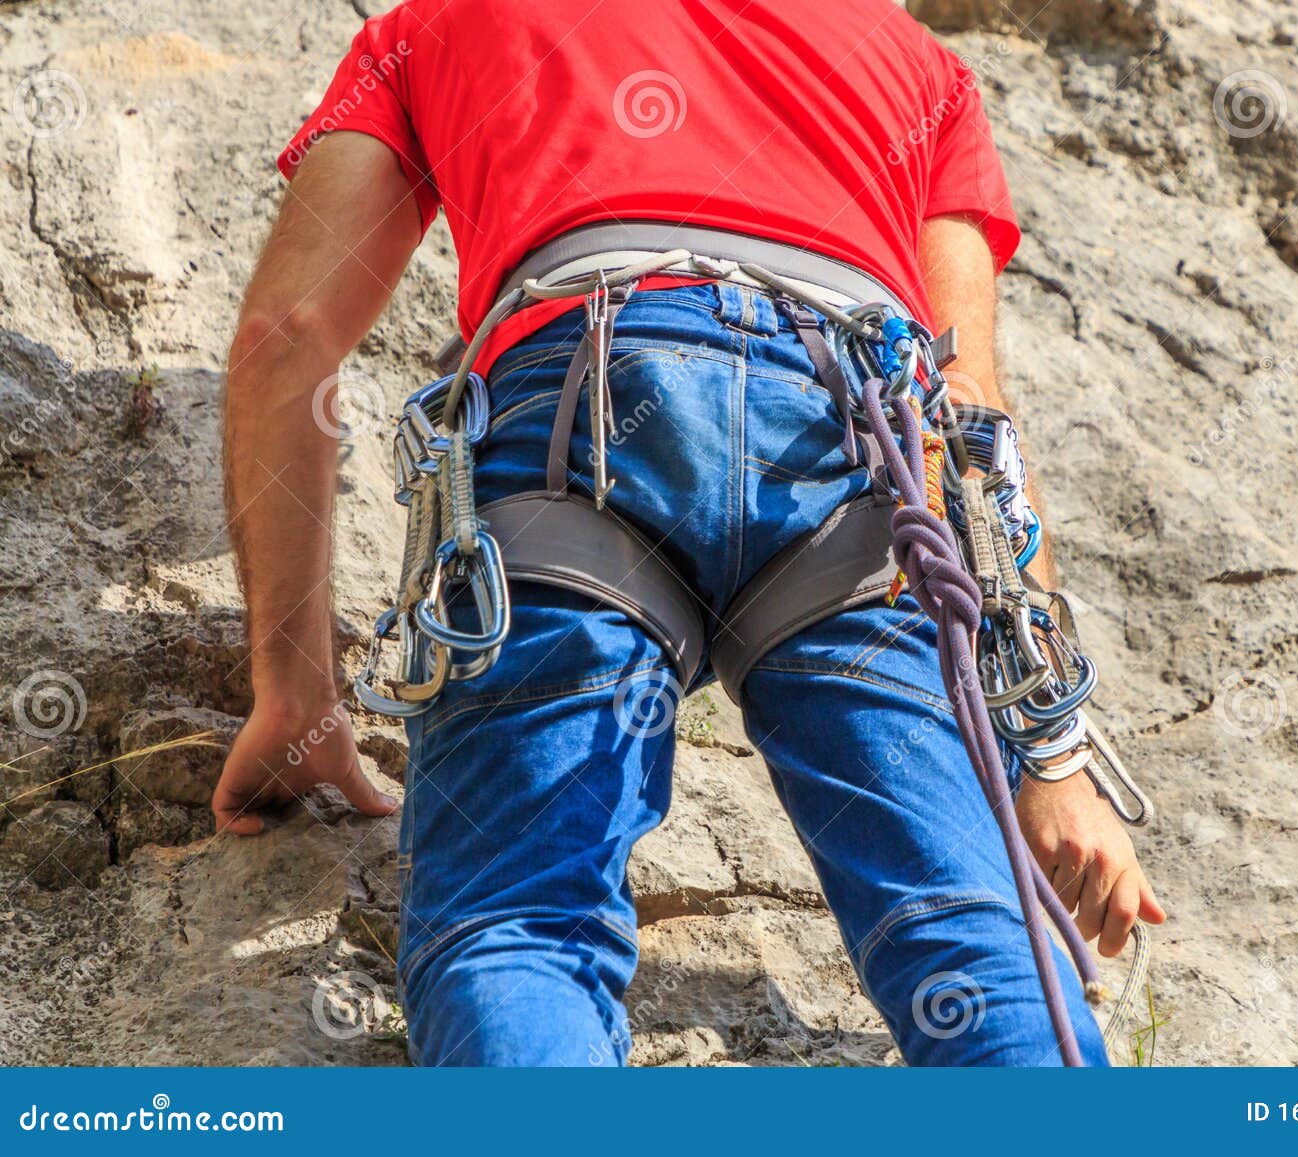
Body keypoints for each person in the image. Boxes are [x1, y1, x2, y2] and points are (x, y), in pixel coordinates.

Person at [216, 0, 1164, 1067]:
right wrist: (1052, 759)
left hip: (582, 404)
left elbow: (287, 333)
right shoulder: (917, 65)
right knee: (976, 941)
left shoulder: (437, 21)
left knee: (520, 925)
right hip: (852, 449)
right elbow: (970, 409)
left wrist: (294, 692)